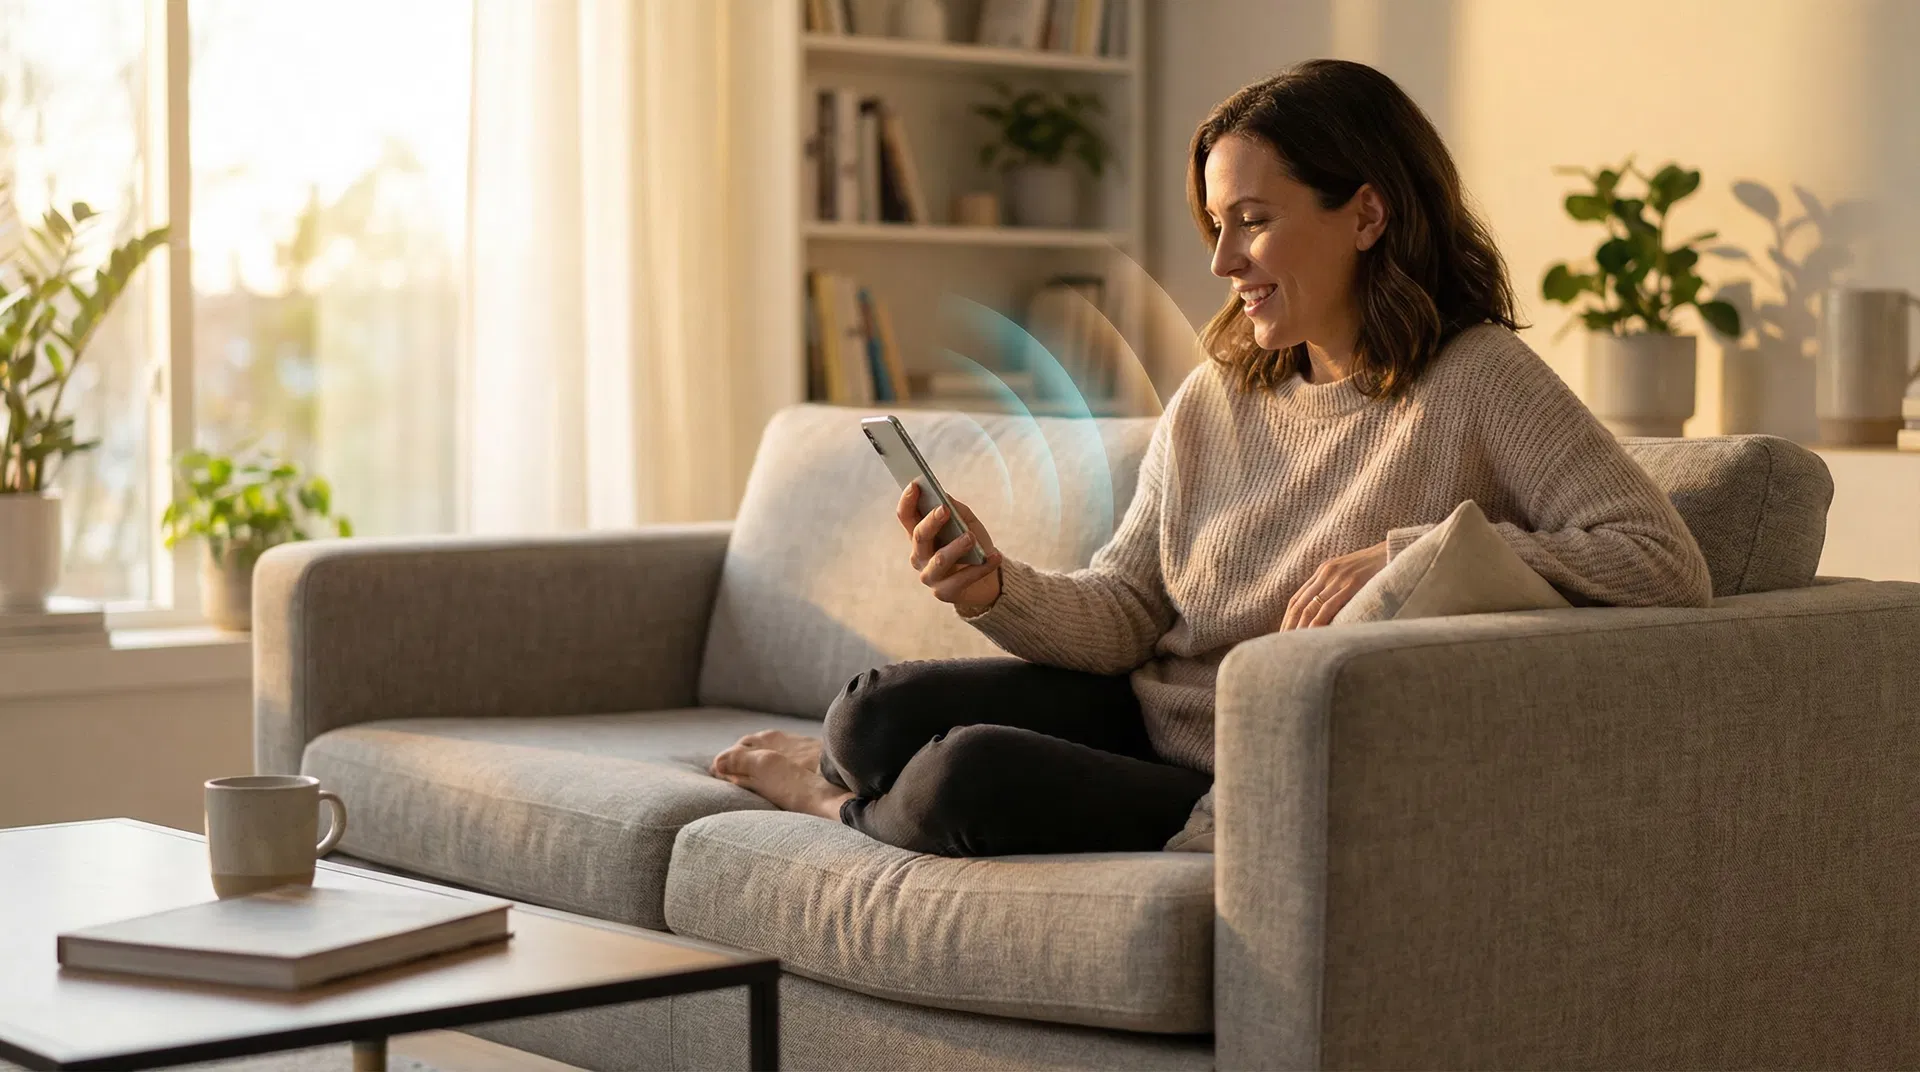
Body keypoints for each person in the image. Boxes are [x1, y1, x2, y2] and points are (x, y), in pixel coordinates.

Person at [709, 59, 1712, 858]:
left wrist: (1415, 553)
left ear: (1367, 215)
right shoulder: (1219, 396)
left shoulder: (1480, 377)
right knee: (869, 716)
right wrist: (997, 586)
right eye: (1217, 224)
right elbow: (1128, 608)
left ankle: (831, 806)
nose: (1224, 262)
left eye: (1254, 222)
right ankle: (849, 772)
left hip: (1236, 772)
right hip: (1147, 714)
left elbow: (1661, 560)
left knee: (958, 778)